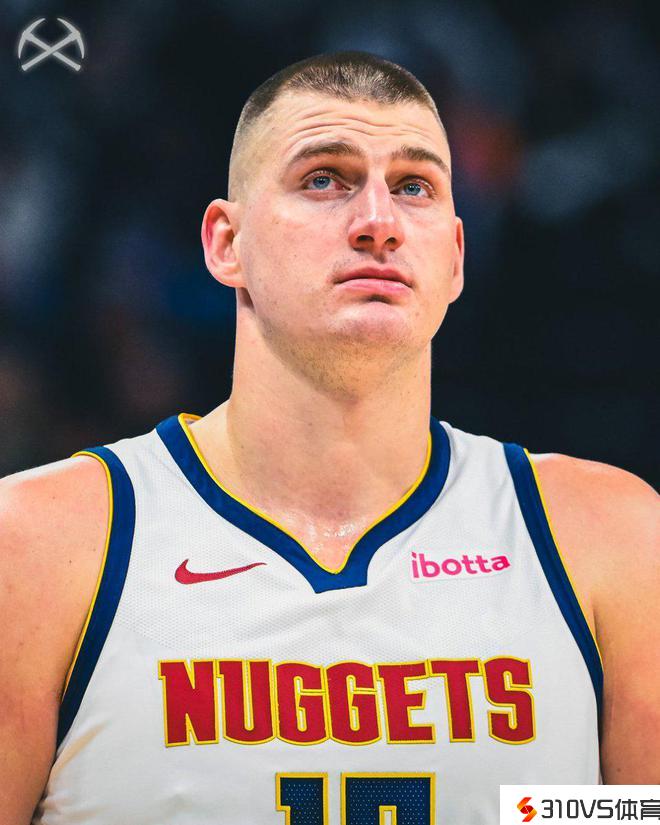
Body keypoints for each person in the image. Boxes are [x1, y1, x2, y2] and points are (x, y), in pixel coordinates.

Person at [1, 51, 658, 825]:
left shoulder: (612, 539)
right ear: (226, 243)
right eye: (324, 180)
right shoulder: (37, 545)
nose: (379, 222)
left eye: (413, 187)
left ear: (454, 256)